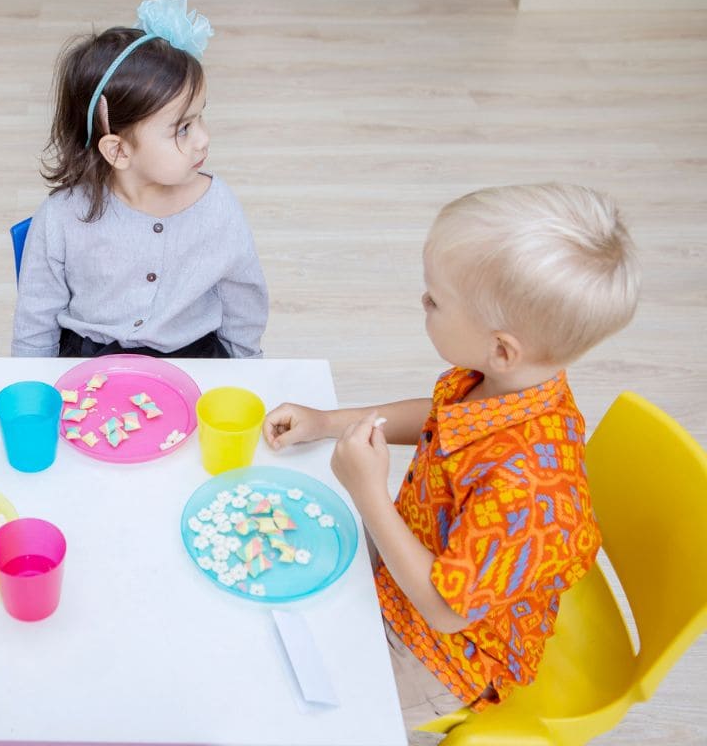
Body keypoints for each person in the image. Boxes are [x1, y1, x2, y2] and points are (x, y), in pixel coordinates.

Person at [262, 184, 640, 726]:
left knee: (304, 713)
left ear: (502, 348)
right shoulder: (505, 382)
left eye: (434, 299)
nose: (423, 302)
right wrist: (328, 422)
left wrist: (370, 494)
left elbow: (444, 612)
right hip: (417, 550)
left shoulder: (525, 492)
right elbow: (438, 417)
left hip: (441, 653)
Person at [11, 0, 268, 359]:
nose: (203, 138)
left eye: (200, 118)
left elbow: (244, 304)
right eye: (182, 128)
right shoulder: (60, 217)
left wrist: (246, 376)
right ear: (118, 150)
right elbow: (35, 324)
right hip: (89, 361)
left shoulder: (218, 208)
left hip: (194, 359)